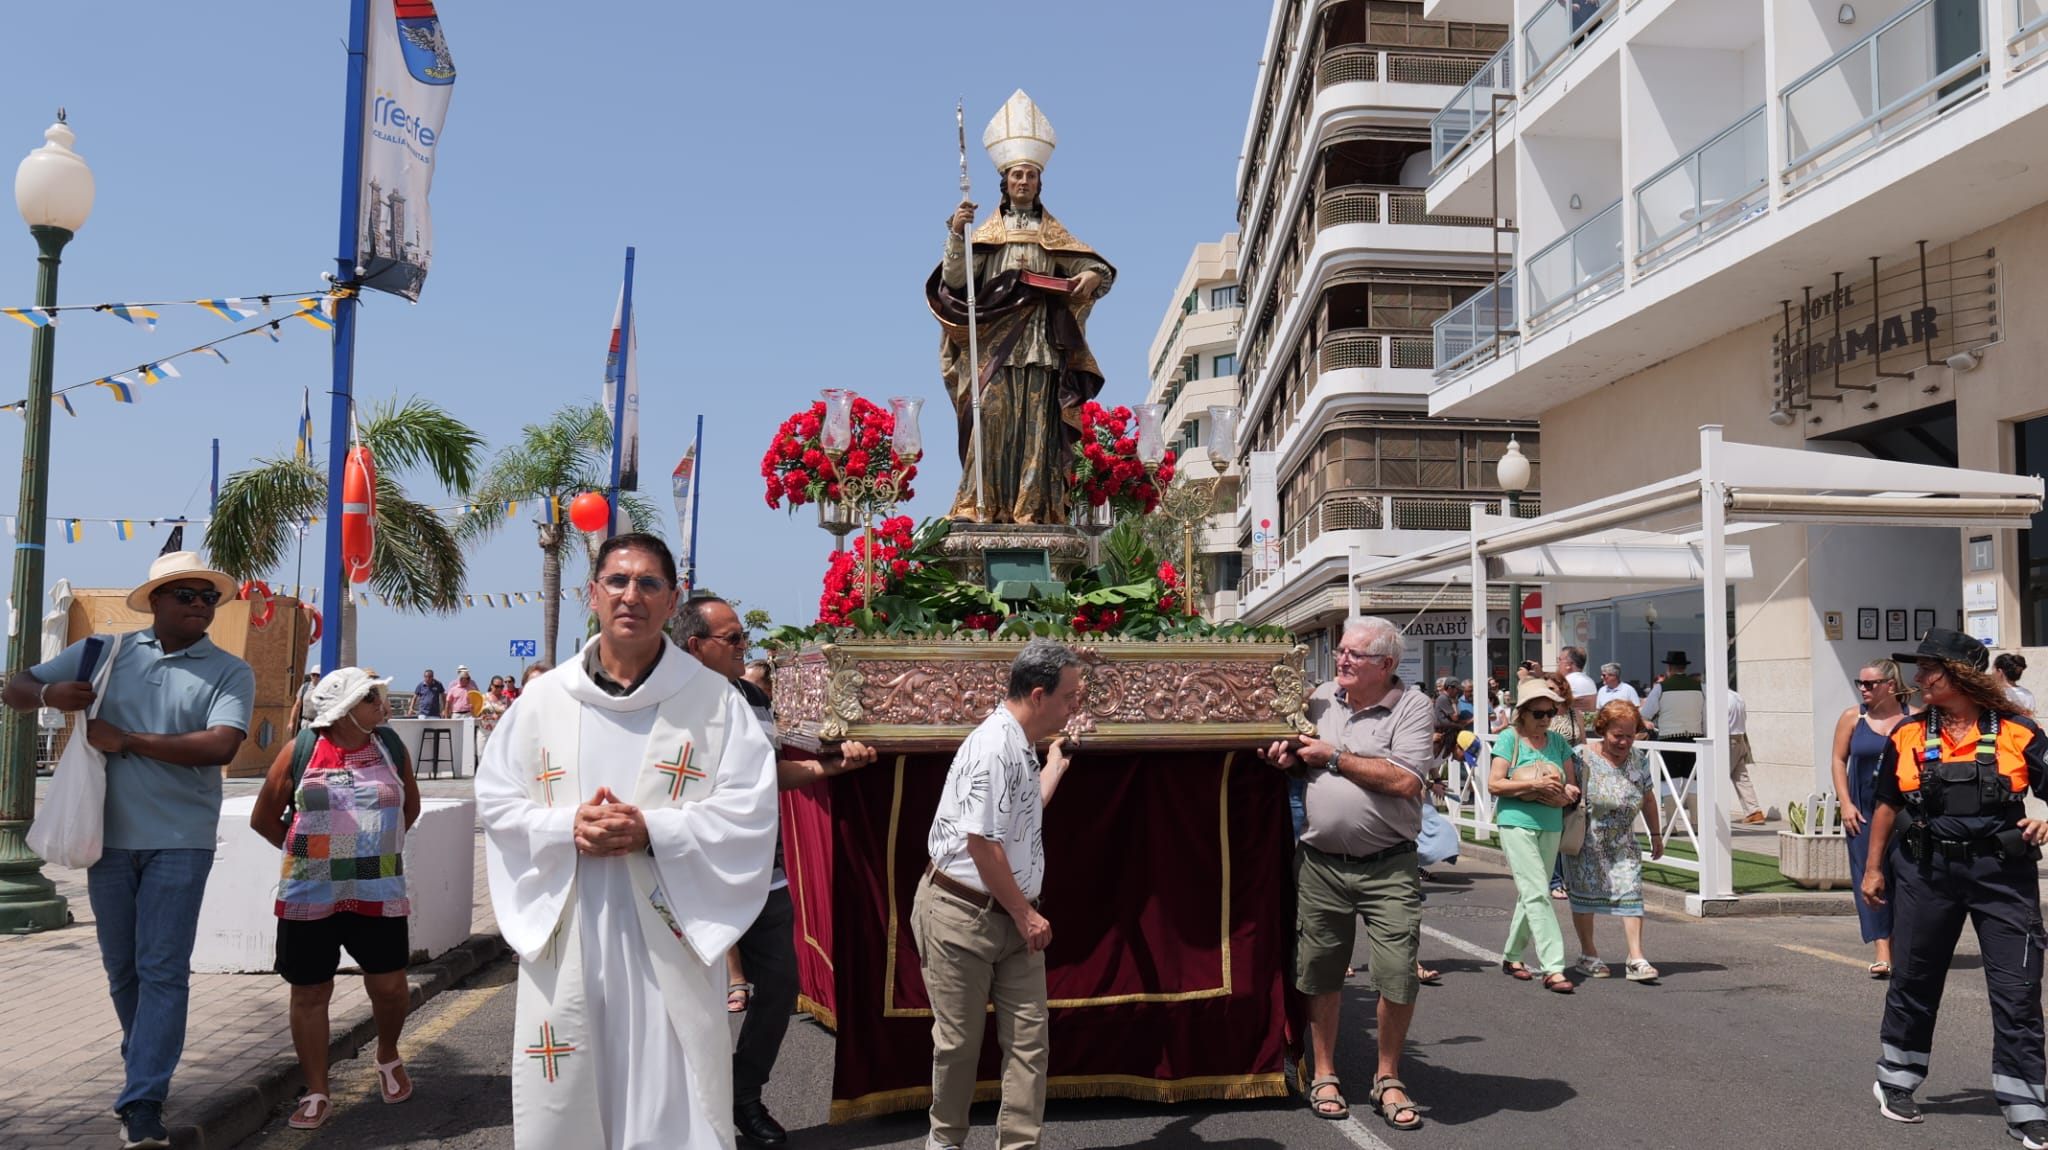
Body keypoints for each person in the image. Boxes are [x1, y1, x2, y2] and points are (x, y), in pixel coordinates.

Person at [477, 533, 779, 1149]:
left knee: (671, 1091)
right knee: (573, 1090)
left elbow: (750, 810)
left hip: (669, 930)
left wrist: (653, 829)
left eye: (649, 584)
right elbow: (498, 802)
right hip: (571, 921)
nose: (631, 595)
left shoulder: (715, 703)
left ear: (672, 602)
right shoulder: (541, 700)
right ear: (593, 594)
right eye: (617, 581)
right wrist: (566, 826)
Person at [2, 551, 255, 1149]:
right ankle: (145, 1058)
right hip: (105, 839)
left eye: (208, 598)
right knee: (123, 971)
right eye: (187, 595)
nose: (199, 606)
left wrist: (128, 741)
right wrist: (50, 695)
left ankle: (143, 1098)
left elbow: (220, 746)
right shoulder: (105, 652)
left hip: (181, 842)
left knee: (162, 970)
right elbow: (14, 686)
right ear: (157, 600)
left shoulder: (230, 670)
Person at [676, 594, 875, 1148]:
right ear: (696, 647)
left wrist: (829, 766)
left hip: (766, 875)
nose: (746, 647)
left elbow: (770, 772)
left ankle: (744, 1094)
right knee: (689, 1000)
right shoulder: (671, 705)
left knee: (781, 983)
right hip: (696, 879)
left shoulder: (751, 697)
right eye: (734, 639)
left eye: (744, 637)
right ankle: (690, 1110)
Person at [1862, 629, 2048, 1146]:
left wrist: (2046, 824)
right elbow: (1885, 805)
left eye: (1928, 669)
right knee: (1915, 981)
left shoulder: (2019, 731)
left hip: (2003, 879)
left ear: (1960, 674)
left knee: (2018, 992)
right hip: (1926, 874)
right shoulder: (1907, 734)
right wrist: (1873, 869)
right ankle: (1896, 1079)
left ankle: (2026, 1103)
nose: (1917, 679)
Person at [1259, 616, 1434, 1130]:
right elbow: (1300, 757)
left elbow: (1405, 781)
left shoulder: (1413, 706)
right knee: (1319, 971)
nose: (1342, 660)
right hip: (1320, 863)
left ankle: (1387, 1077)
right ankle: (1326, 1072)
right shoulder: (1319, 698)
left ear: (1386, 663)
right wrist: (1286, 757)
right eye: (1340, 652)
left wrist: (1333, 756)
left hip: (1389, 865)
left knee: (1398, 974)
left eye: (1354, 654)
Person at [914, 639, 1080, 1150]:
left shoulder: (1017, 743)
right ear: (1037, 694)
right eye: (1070, 696)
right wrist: (1027, 915)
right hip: (963, 916)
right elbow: (983, 845)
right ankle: (945, 1143)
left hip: (1007, 914)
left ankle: (1018, 1146)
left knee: (1030, 1044)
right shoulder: (994, 747)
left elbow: (1019, 817)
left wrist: (1053, 765)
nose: (1076, 704)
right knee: (959, 1045)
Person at [248, 668, 421, 1129]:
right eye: (370, 698)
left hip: (377, 890)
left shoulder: (391, 747)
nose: (381, 703)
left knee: (388, 985)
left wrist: (372, 847)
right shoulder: (301, 751)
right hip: (311, 894)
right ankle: (318, 1089)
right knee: (310, 991)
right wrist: (312, 855)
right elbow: (264, 817)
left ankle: (387, 1054)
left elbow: (411, 808)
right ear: (344, 711)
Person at [931, 90, 1114, 525]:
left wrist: (1092, 277)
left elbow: (1091, 267)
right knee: (990, 421)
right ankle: (980, 504)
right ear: (1005, 181)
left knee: (1037, 426)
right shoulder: (985, 231)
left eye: (1030, 175)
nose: (1024, 182)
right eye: (1017, 175)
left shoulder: (1051, 231)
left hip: (1041, 342)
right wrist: (958, 235)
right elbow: (955, 281)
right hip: (995, 343)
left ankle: (1033, 506)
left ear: (1039, 181)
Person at [1489, 678, 1580, 994]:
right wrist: (1532, 786)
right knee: (1537, 893)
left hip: (1551, 822)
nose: (1545, 719)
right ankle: (1553, 966)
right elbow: (1494, 784)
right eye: (1538, 713)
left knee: (1533, 891)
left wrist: (1567, 792)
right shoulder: (1508, 739)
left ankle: (1513, 956)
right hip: (1515, 822)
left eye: (1550, 713)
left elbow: (1572, 785)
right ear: (1523, 713)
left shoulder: (1557, 743)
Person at [1565, 701, 1663, 982]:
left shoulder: (1638, 758)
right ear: (1602, 729)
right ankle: (1588, 954)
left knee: (1632, 893)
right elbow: (1565, 792)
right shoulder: (1581, 757)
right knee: (1585, 897)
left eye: (1630, 735)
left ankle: (1636, 957)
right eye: (1617, 735)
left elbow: (1647, 796)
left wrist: (1656, 834)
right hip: (1587, 840)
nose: (1624, 742)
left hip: (1624, 840)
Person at [1831, 658, 1910, 978]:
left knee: (1907, 880)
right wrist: (1845, 804)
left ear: (1890, 686)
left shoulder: (1914, 718)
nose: (1862, 689)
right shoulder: (1852, 718)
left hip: (1906, 815)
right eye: (1859, 683)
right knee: (1871, 879)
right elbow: (1838, 760)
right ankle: (1882, 951)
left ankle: (1905, 944)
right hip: (1862, 812)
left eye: (1869, 684)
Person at [1641, 651, 1703, 774]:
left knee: (1669, 782)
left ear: (1669, 668)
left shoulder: (1661, 687)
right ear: (1685, 667)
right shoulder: (1700, 687)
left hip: (1668, 740)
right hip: (1694, 739)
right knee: (1692, 782)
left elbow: (1646, 714)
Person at [1727, 686, 1765, 824]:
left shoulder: (1720, 698)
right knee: (1741, 777)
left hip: (1727, 739)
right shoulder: (1737, 696)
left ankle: (1707, 813)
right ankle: (1754, 811)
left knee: (1715, 778)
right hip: (1739, 738)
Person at [1559, 646, 1598, 716]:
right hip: (1587, 724)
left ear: (1569, 665)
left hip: (1571, 724)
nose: (1558, 664)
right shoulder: (1590, 681)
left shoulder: (1567, 682)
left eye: (1560, 660)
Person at [288, 669, 321, 736]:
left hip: (318, 724)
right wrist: (291, 722)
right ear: (310, 675)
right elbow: (297, 705)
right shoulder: (305, 687)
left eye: (318, 675)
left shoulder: (324, 689)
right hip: (305, 723)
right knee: (301, 744)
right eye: (313, 675)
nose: (315, 677)